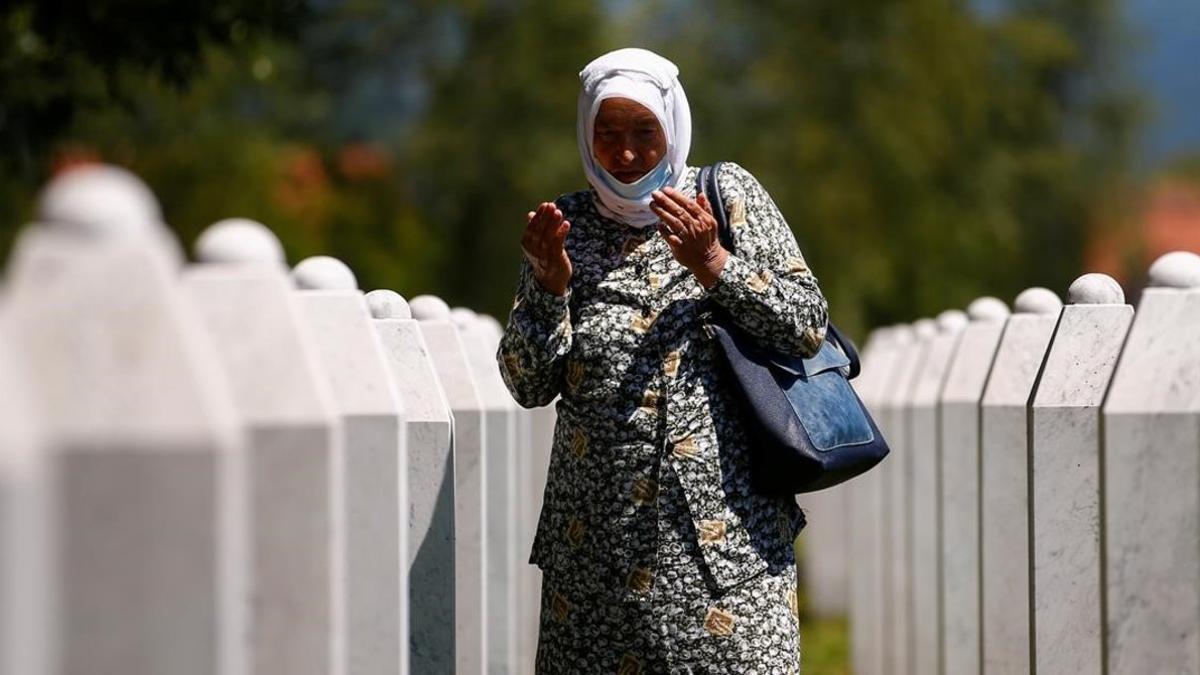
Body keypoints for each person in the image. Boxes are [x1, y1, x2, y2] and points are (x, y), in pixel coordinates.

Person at [497, 47, 829, 674]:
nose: (625, 153)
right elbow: (527, 383)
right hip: (595, 557)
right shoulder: (563, 226)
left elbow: (806, 325)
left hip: (725, 548)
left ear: (672, 126)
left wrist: (715, 266)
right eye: (608, 133)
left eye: (644, 132)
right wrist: (548, 289)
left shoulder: (724, 197)